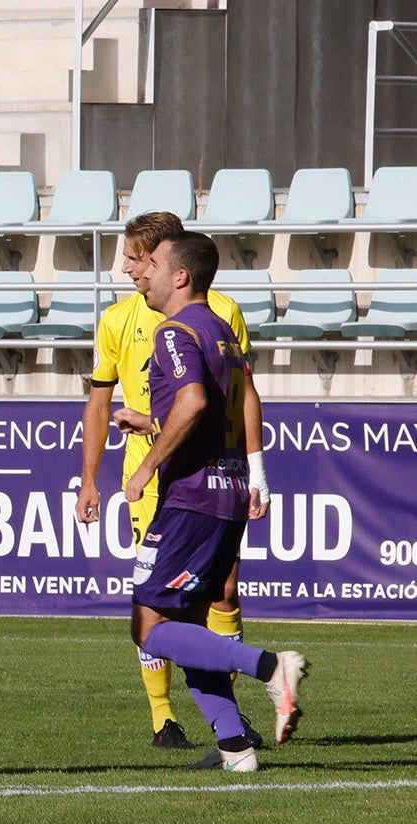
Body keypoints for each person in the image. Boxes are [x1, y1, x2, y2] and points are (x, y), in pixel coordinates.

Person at [75, 211, 271, 750]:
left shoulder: (195, 319)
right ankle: (210, 734)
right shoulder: (120, 319)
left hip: (184, 485)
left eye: (140, 259)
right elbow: (101, 402)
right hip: (193, 484)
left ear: (174, 265)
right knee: (176, 615)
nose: (128, 269)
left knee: (159, 619)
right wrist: (90, 476)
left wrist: (146, 464)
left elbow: (209, 399)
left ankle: (270, 670)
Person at [121, 230, 306, 772]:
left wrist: (148, 463)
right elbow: (233, 403)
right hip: (225, 490)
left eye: (151, 263)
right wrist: (152, 420)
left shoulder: (174, 331)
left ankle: (270, 666)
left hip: (192, 496)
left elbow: (195, 401)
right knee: (190, 628)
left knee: (150, 627)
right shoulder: (221, 330)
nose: (142, 273)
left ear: (180, 275)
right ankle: (234, 747)